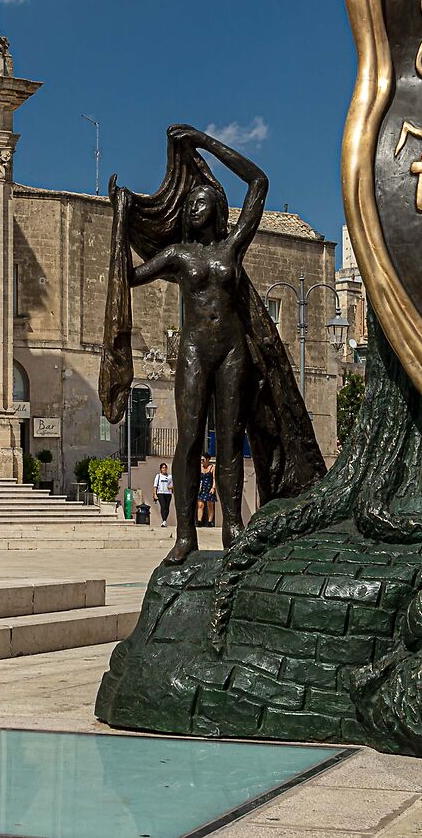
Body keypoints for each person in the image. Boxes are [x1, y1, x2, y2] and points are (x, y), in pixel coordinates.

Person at [119, 125, 269, 564]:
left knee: (228, 441)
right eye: (192, 202)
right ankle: (185, 535)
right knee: (188, 441)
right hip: (194, 352)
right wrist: (121, 218)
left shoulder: (231, 247)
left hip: (232, 350)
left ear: (217, 208)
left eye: (204, 200)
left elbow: (259, 182)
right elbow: (128, 276)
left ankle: (234, 527)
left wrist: (204, 141)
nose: (197, 204)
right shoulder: (178, 255)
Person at [197, 456, 218, 529]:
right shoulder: (200, 468)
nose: (202, 461)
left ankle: (210, 521)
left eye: (203, 459)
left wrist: (213, 487)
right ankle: (199, 521)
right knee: (200, 505)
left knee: (210, 505)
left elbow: (214, 478)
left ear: (208, 459)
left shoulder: (212, 468)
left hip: (209, 487)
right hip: (202, 488)